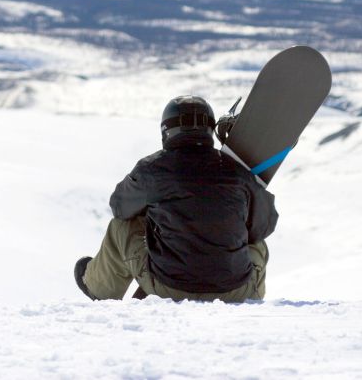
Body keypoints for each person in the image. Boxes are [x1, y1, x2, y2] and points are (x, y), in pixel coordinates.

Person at [74, 95, 278, 301]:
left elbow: (119, 207)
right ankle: (252, 298)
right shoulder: (237, 171)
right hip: (235, 290)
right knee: (255, 241)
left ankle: (99, 288)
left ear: (166, 130)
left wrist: (154, 214)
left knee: (121, 226)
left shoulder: (152, 170)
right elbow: (265, 225)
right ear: (210, 128)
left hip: (168, 288)